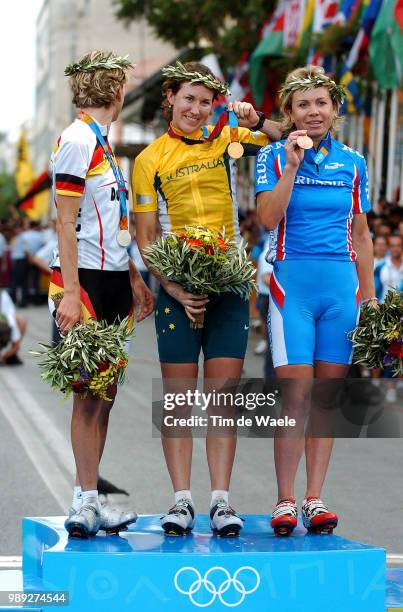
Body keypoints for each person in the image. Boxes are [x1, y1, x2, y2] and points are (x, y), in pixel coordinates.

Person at [133, 61, 282, 536]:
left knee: (221, 400)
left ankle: (220, 501)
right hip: (177, 288)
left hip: (230, 283)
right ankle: (181, 502)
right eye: (188, 99)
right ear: (170, 97)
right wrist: (174, 288)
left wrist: (254, 119)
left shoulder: (227, 136)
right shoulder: (148, 160)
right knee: (178, 401)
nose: (196, 110)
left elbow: (287, 136)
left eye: (205, 101)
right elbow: (147, 236)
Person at [255, 65, 375, 535]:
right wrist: (291, 167)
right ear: (289, 112)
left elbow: (362, 235)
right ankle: (285, 499)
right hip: (292, 291)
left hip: (342, 291)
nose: (313, 112)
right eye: (303, 104)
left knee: (326, 397)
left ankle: (314, 498)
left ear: (334, 109)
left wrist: (369, 299)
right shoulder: (270, 157)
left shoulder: (355, 162)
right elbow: (267, 218)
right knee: (295, 396)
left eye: (321, 103)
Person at [50, 50, 154, 538]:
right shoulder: (76, 140)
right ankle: (83, 500)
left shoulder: (102, 143)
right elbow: (65, 222)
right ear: (116, 92)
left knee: (104, 395)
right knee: (86, 395)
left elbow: (110, 224)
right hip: (84, 283)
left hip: (112, 279)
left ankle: (90, 496)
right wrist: (71, 293)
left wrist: (133, 275)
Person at [374, 234, 403, 302]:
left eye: (398, 245)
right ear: (388, 247)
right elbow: (375, 290)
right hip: (384, 308)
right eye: (392, 246)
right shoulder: (380, 266)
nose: (395, 249)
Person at [0, 289, 26, 365]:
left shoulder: (3, 296)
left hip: (3, 329)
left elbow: (11, 318)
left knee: (20, 320)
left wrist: (4, 356)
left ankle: (10, 356)